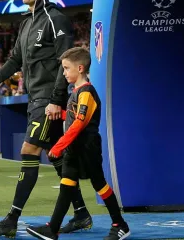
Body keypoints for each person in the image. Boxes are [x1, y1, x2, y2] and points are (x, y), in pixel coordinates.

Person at [0, 0, 92, 237]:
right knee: (58, 158)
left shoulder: (56, 18)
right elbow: (15, 60)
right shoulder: (26, 23)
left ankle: (11, 219)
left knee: (29, 151)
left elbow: (68, 63)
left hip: (49, 101)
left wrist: (56, 101)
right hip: (35, 99)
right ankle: (82, 214)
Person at [26, 47, 130, 240]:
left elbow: (80, 124)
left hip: (87, 146)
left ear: (80, 68)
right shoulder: (75, 92)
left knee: (99, 183)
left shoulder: (87, 93)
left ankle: (120, 224)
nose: (64, 73)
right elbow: (74, 119)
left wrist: (58, 146)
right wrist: (62, 115)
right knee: (67, 183)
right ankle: (52, 228)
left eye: (66, 68)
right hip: (74, 146)